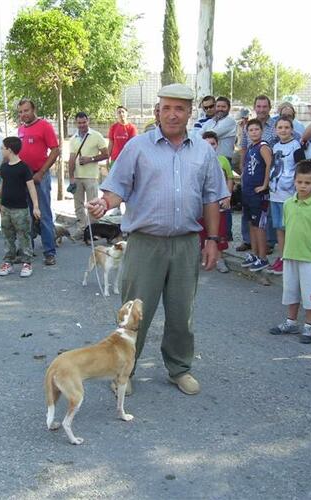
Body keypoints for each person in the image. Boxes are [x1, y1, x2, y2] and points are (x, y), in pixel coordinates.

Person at [87, 83, 229, 396]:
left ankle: (179, 368)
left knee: (182, 313)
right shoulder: (138, 147)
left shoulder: (204, 152)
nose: (172, 114)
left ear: (190, 112)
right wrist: (103, 204)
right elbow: (117, 188)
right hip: (144, 243)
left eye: (179, 108)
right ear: (157, 110)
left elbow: (211, 199)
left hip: (186, 243)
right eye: (166, 107)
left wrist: (212, 240)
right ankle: (124, 372)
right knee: (134, 313)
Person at [270, 161, 311, 344]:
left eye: (307, 183)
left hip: (309, 257)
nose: (303, 186)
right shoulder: (289, 204)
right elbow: (286, 229)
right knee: (291, 291)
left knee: (310, 293)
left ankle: (309, 325)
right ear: (294, 182)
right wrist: (284, 251)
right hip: (290, 255)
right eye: (300, 182)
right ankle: (291, 322)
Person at [17, 98, 59, 266]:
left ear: (33, 110)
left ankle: (49, 252)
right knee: (25, 216)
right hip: (24, 178)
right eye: (20, 112)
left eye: (26, 111)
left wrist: (41, 172)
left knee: (43, 214)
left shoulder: (45, 126)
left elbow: (55, 150)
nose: (23, 114)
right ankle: (28, 251)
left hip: (39, 177)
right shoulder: (20, 129)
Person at [0, 136, 41, 278]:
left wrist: (36, 206)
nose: (1, 150)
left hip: (20, 208)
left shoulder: (23, 168)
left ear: (9, 150)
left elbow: (31, 187)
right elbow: (3, 183)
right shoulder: (4, 167)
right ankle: (8, 261)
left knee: (24, 235)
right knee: (8, 235)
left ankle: (27, 262)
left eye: (2, 148)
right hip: (6, 208)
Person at [237, 95, 278, 253]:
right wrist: (242, 169)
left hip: (263, 180)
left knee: (263, 217)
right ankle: (249, 243)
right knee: (248, 217)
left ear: (269, 107)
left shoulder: (274, 126)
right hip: (249, 178)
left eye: (264, 106)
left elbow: (270, 161)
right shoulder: (248, 126)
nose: (261, 109)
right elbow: (244, 148)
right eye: (258, 106)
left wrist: (266, 184)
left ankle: (265, 246)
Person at [267, 117, 305, 275]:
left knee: (289, 228)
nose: (283, 130)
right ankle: (282, 257)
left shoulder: (296, 146)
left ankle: (290, 259)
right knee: (279, 228)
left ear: (292, 129)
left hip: (289, 195)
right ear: (276, 129)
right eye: (280, 127)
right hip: (275, 193)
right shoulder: (275, 146)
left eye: (286, 127)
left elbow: (302, 168)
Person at [67, 112, 108, 238]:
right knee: (78, 205)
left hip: (91, 176)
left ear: (88, 121)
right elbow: (71, 159)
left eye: (84, 122)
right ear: (76, 123)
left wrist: (90, 159)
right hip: (77, 177)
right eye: (79, 123)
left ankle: (93, 231)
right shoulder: (73, 138)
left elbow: (106, 154)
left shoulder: (96, 136)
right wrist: (71, 177)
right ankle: (82, 229)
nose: (82, 125)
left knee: (93, 205)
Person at [240, 118, 272, 272]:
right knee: (251, 224)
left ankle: (263, 257)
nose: (253, 132)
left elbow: (269, 165)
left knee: (259, 225)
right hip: (248, 192)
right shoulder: (251, 147)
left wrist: (265, 185)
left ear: (262, 131)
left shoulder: (263, 147)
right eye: (250, 130)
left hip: (258, 193)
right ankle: (254, 253)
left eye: (256, 129)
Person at [200, 131, 234, 273]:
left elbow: (230, 179)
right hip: (202, 203)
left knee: (219, 232)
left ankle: (219, 259)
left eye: (212, 143)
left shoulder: (223, 160)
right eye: (207, 143)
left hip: (219, 203)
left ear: (217, 145)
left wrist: (227, 196)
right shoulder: (197, 160)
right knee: (202, 232)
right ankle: (204, 258)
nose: (210, 146)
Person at [201, 96, 237, 162]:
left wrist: (204, 134)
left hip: (224, 159)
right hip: (211, 159)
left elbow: (210, 135)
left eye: (223, 107)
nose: (220, 109)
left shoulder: (230, 121)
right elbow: (198, 135)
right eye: (218, 106)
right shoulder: (211, 121)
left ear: (228, 108)